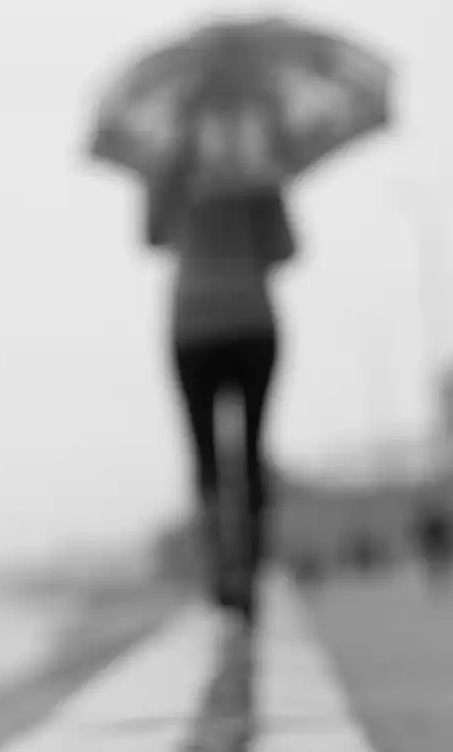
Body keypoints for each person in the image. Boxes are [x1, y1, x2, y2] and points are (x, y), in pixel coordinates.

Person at [146, 150, 295, 619]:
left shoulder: (170, 163)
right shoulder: (259, 162)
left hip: (192, 323)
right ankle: (251, 566)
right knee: (251, 447)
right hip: (252, 318)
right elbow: (285, 248)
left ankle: (218, 569)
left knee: (204, 452)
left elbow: (152, 236)